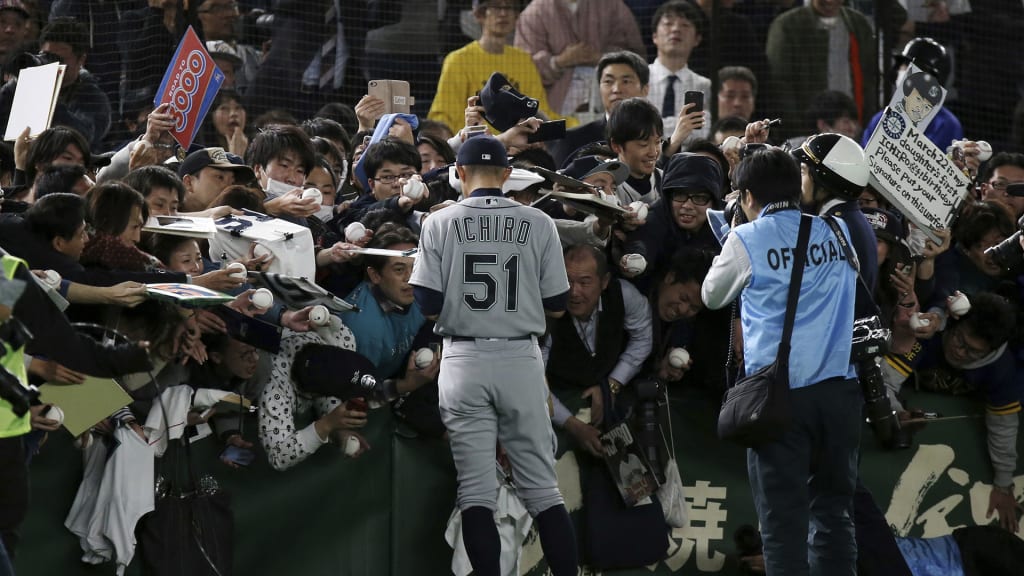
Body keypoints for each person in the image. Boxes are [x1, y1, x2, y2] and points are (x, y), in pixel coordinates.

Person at [410, 135, 578, 576]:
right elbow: (560, 303)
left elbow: (425, 301)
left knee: (476, 493)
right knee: (543, 492)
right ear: (506, 175)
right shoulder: (538, 222)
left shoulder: (439, 222)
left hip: (463, 360)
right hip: (519, 358)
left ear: (460, 174)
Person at [702, 146, 860, 575]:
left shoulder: (747, 237)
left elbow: (711, 295)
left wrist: (734, 231)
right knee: (834, 515)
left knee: (782, 524)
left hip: (780, 399)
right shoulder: (836, 231)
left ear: (748, 195)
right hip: (841, 392)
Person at [427, 0, 563, 134]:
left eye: (509, 7)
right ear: (479, 14)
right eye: (496, 7)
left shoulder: (523, 61)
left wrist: (575, 124)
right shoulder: (458, 61)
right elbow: (444, 116)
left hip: (520, 147)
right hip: (476, 147)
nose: (503, 13)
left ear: (516, 15)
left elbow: (540, 110)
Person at [766, 0, 878, 138]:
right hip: (804, 134)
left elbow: (869, 79)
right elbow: (780, 84)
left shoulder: (858, 24)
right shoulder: (787, 25)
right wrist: (797, 130)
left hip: (852, 130)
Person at [513, 0, 645, 116]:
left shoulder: (612, 5)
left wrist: (602, 58)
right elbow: (523, 69)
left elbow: (636, 55)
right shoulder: (534, 12)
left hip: (608, 95)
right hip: (555, 105)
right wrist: (559, 62)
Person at [548, 50, 650, 167]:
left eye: (626, 81)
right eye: (608, 81)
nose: (616, 89)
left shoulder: (656, 143)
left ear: (645, 90)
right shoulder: (573, 140)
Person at [645, 1, 710, 144]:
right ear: (654, 36)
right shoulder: (639, 80)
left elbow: (702, 133)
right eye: (668, 24)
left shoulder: (704, 85)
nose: (676, 29)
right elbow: (635, 128)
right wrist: (682, 125)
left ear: (697, 39)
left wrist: (653, 126)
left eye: (685, 25)